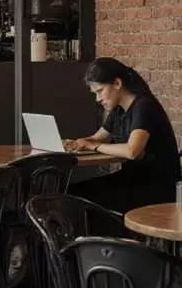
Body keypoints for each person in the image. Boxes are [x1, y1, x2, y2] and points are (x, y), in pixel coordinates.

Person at [67, 58, 181, 213]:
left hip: (154, 187)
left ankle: (96, 236)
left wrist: (95, 146)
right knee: (71, 191)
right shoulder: (119, 110)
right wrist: (74, 143)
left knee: (78, 196)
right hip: (133, 180)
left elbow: (132, 151)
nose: (98, 99)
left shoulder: (144, 106)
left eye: (100, 91)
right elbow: (97, 137)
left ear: (117, 84)